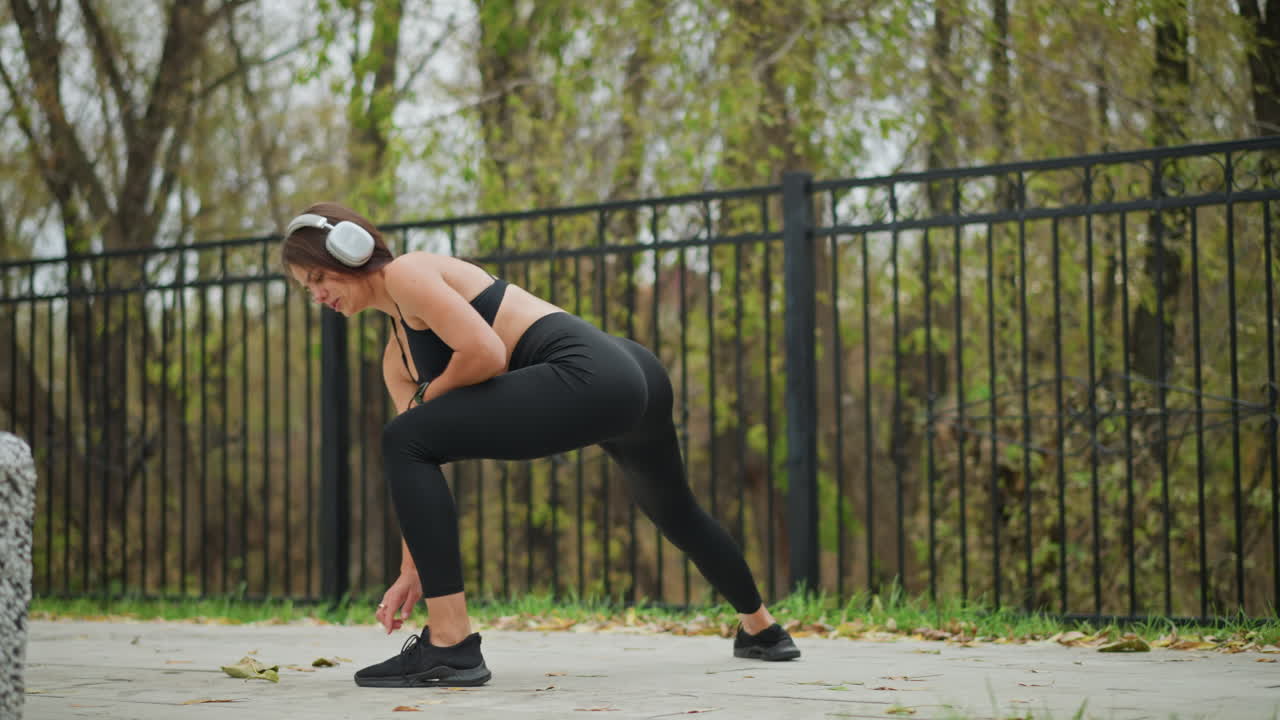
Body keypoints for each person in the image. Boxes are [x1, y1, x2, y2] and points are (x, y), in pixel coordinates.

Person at [281, 202, 800, 689]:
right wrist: (410, 571)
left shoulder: (407, 273)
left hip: (590, 373)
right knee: (675, 509)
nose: (318, 295)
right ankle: (762, 631)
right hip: (628, 373)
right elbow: (415, 462)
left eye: (319, 277)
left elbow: (484, 352)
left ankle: (450, 643)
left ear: (351, 249)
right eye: (308, 288)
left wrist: (427, 397)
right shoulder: (396, 361)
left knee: (403, 435)